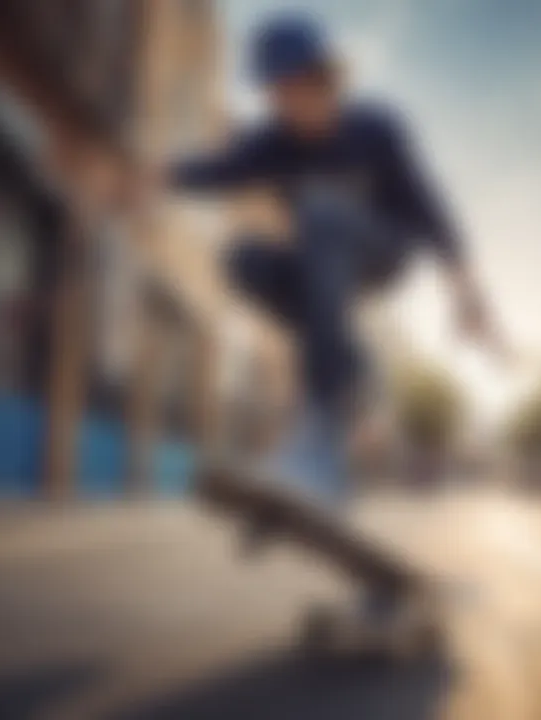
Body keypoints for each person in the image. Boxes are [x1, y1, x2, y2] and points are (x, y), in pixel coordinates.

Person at [148, 12, 498, 508]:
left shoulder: (376, 128)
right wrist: (147, 174)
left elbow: (432, 210)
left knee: (323, 213)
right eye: (280, 95)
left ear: (326, 79)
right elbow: (217, 170)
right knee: (244, 258)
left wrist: (468, 293)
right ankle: (350, 375)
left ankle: (321, 428)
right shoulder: (270, 143)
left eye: (303, 89)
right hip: (322, 269)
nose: (294, 107)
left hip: (384, 253)